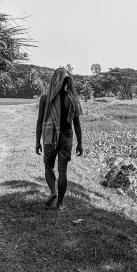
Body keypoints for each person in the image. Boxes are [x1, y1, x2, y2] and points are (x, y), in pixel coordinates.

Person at [35, 67, 83, 210]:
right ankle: (60, 204)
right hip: (66, 136)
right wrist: (80, 144)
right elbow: (77, 124)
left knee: (48, 166)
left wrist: (37, 141)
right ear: (67, 81)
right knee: (63, 171)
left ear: (54, 79)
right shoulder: (73, 99)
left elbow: (39, 122)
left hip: (50, 136)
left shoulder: (45, 98)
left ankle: (53, 191)